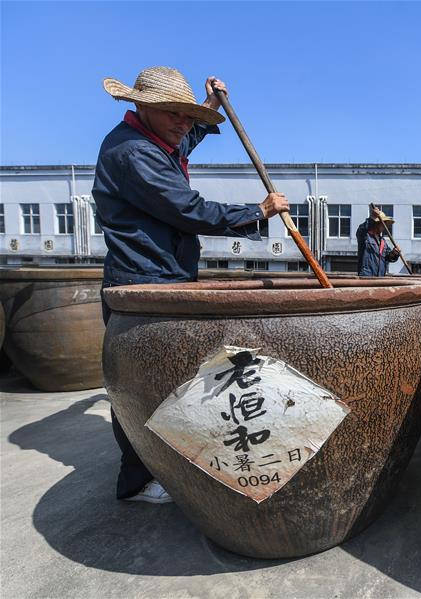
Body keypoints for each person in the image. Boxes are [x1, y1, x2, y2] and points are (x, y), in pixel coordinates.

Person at [93, 66, 289, 503]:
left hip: (166, 271)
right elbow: (187, 208)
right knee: (140, 383)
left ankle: (171, 460)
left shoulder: (159, 139)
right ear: (142, 106)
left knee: (167, 378)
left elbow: (187, 136)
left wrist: (209, 108)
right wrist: (256, 212)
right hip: (141, 278)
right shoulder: (133, 154)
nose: (184, 124)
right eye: (174, 114)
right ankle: (138, 479)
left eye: (187, 115)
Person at [356, 206, 401, 276]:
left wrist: (394, 253)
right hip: (366, 277)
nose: (384, 226)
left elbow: (388, 257)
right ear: (376, 224)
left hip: (379, 277)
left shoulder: (382, 241)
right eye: (383, 224)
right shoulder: (365, 236)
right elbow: (362, 229)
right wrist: (371, 218)